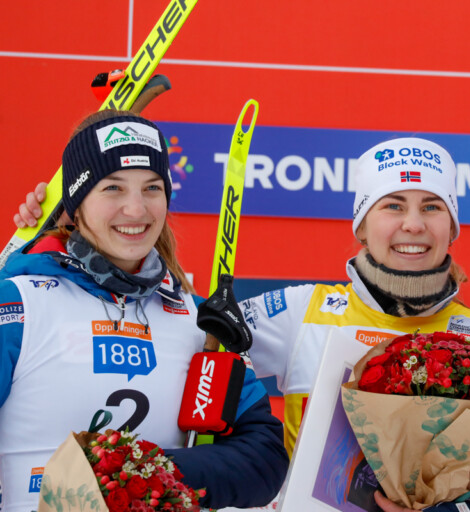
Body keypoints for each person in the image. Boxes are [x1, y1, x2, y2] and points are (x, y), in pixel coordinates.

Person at [15, 137, 470, 512]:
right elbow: (173, 335)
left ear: (453, 225)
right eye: (392, 205)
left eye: (432, 206)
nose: (413, 224)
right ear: (361, 223)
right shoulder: (302, 309)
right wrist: (43, 236)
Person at [0, 110, 288, 512]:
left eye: (152, 188)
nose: (136, 210)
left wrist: (146, 475)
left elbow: (263, 458)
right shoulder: (17, 305)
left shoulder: (197, 319)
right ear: (77, 204)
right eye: (113, 188)